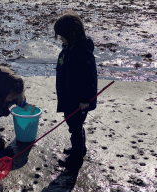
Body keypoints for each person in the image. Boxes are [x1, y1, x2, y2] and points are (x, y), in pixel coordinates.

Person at [54, 12, 97, 176]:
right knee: (72, 122)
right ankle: (80, 148)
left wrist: (86, 99)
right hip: (69, 95)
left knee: (75, 125)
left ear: (71, 35)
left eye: (62, 36)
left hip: (79, 100)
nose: (60, 40)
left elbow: (90, 78)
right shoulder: (69, 48)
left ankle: (76, 158)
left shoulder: (83, 53)